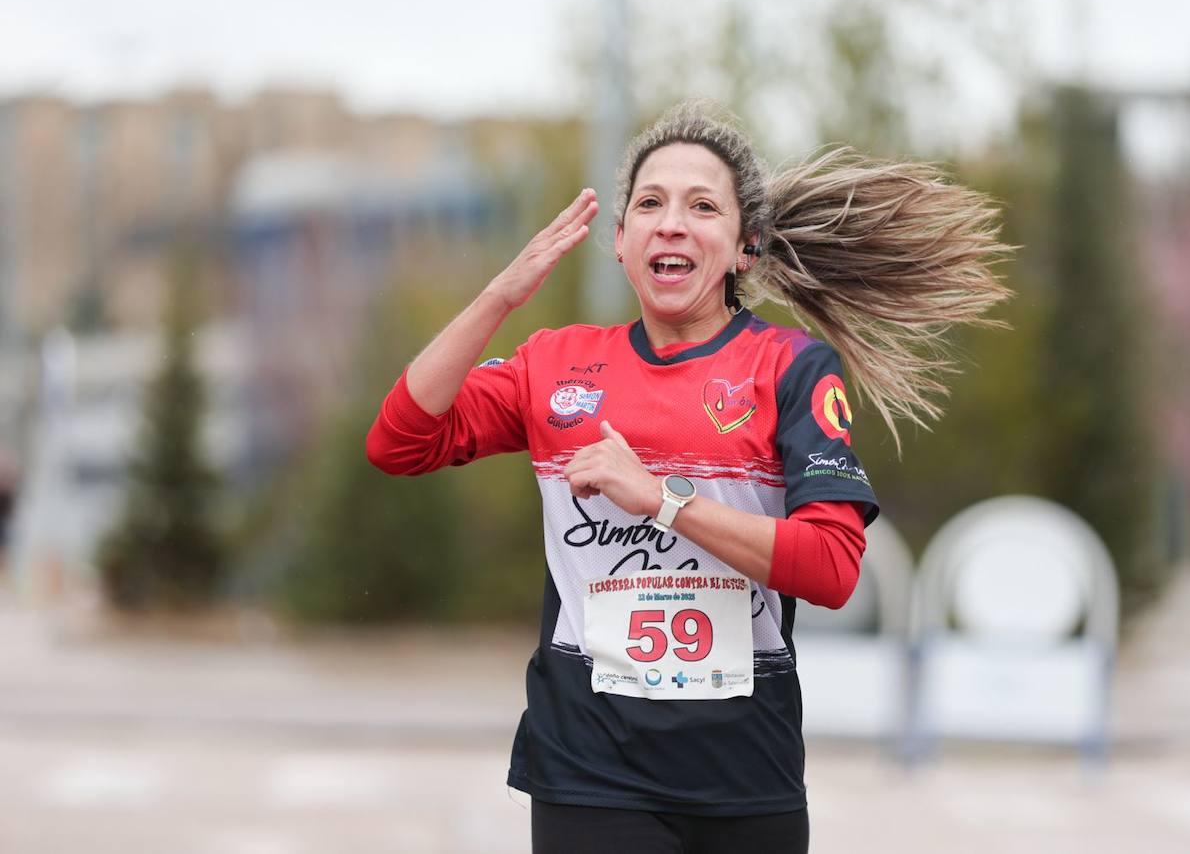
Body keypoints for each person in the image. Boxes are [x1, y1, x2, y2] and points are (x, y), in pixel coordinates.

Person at [366, 101, 1008, 853]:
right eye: (649, 204)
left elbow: (832, 569)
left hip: (744, 776)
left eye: (702, 206)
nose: (671, 223)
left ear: (744, 247)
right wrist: (500, 297)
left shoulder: (789, 369)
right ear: (619, 241)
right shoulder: (555, 364)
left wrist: (663, 500)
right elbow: (399, 442)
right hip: (589, 769)